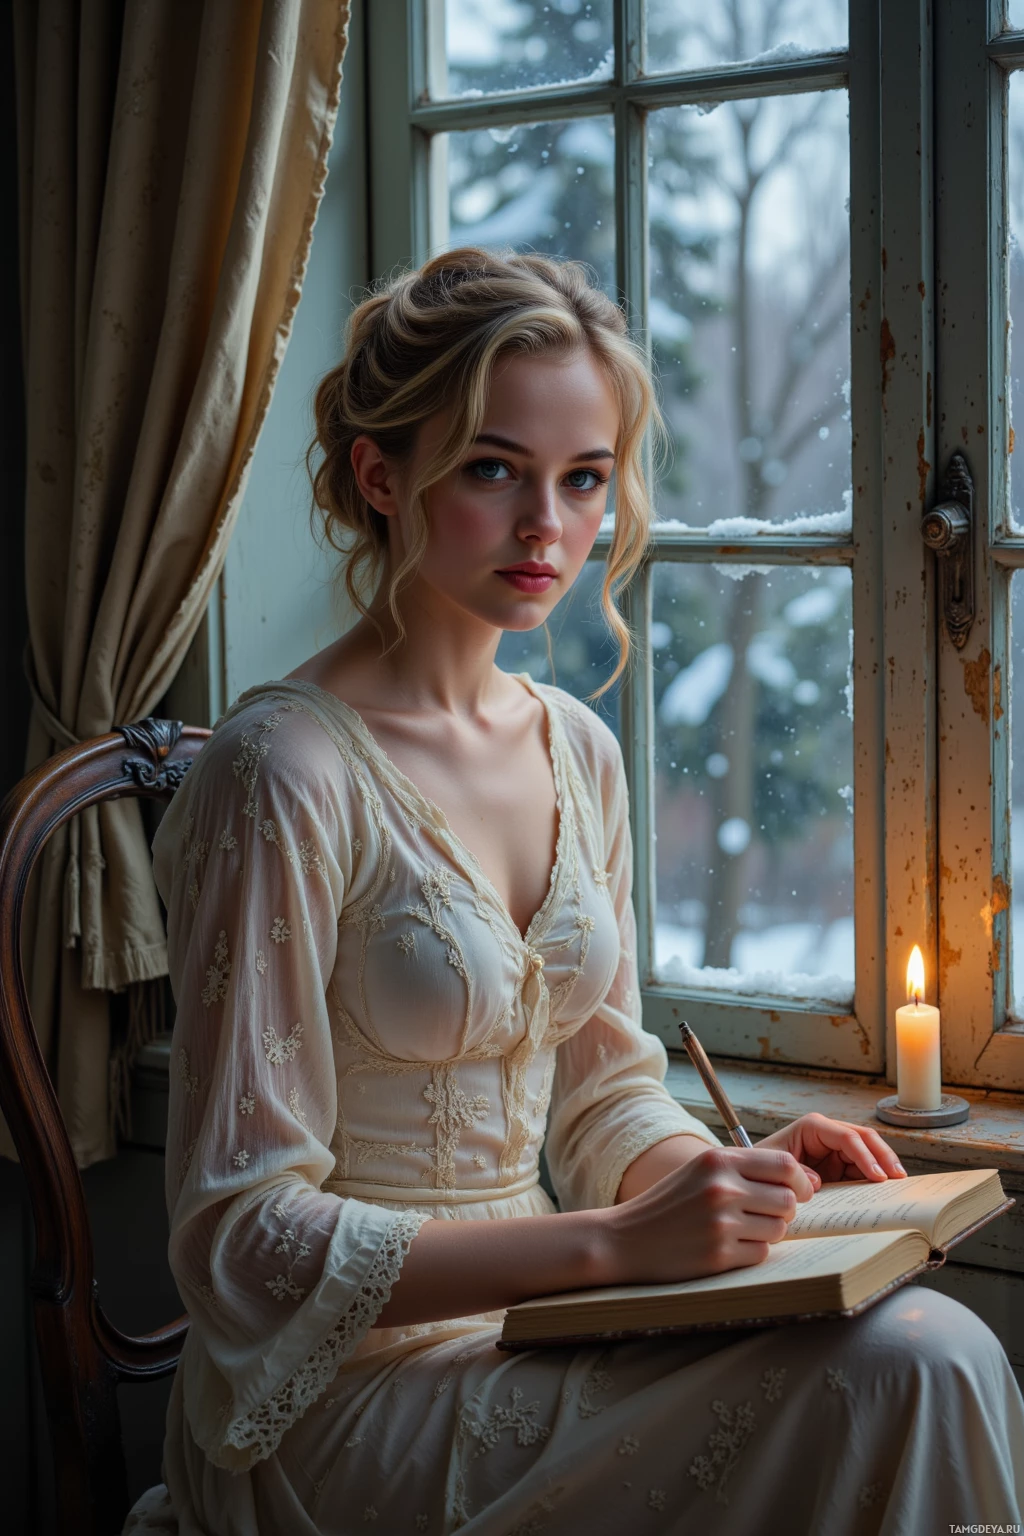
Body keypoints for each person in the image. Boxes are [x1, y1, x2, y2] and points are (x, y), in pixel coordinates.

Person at [124, 248, 1024, 1536]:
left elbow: (604, 1094)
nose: (549, 526)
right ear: (382, 475)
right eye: (494, 469)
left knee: (932, 1349)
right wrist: (610, 1249)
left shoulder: (576, 749)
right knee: (910, 1377)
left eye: (585, 478)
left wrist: (729, 1176)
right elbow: (237, 1238)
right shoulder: (281, 770)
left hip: (549, 1325)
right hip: (332, 1402)